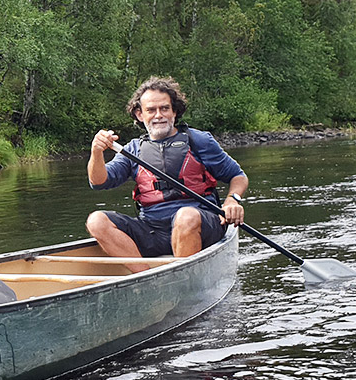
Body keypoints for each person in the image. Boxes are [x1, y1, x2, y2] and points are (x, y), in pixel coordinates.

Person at [86, 76, 249, 270]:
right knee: (96, 221)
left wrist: (232, 199)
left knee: (185, 216)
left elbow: (238, 176)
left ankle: (184, 278)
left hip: (200, 223)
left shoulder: (199, 141)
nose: (158, 115)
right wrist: (96, 151)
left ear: (174, 111)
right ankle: (145, 278)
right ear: (140, 114)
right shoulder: (133, 149)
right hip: (153, 229)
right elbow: (98, 182)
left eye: (164, 108)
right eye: (151, 110)